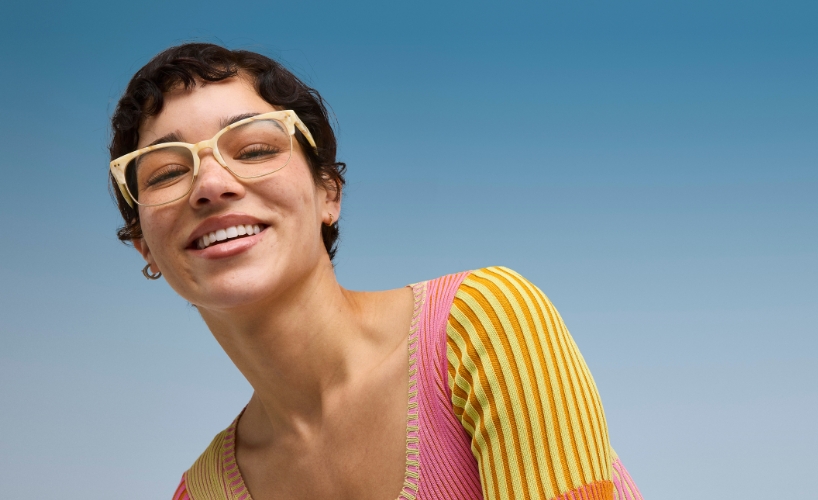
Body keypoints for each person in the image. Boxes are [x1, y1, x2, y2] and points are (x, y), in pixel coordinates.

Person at [108, 43, 642, 500]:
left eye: (254, 148)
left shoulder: (483, 327)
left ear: (328, 194)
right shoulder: (205, 492)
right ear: (144, 249)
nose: (212, 184)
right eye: (169, 172)